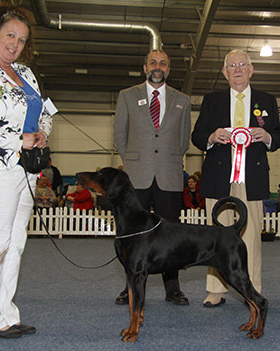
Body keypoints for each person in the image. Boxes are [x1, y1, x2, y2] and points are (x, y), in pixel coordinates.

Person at [0, 4, 53, 338]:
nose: (15, 44)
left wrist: (42, 133)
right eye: (10, 35)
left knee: (17, 242)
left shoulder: (26, 73)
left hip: (27, 169)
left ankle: (7, 313)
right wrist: (16, 139)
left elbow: (45, 111)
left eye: (22, 40)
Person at [192, 49, 280, 307]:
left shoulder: (267, 100)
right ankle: (216, 290)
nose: (238, 69)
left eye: (242, 64)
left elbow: (278, 135)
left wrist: (268, 138)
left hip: (251, 177)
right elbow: (197, 136)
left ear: (251, 70)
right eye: (232, 66)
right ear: (225, 72)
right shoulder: (211, 100)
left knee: (251, 234)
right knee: (216, 236)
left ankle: (251, 290)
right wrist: (211, 136)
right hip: (218, 176)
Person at [114, 49, 191, 305]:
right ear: (145, 67)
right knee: (132, 235)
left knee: (171, 235)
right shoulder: (126, 96)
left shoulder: (183, 100)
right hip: (137, 175)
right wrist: (134, 160)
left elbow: (183, 141)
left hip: (169, 175)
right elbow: (120, 137)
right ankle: (130, 288)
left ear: (168, 69)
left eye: (163, 64)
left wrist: (165, 159)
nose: (158, 67)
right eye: (153, 63)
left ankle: (173, 289)